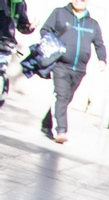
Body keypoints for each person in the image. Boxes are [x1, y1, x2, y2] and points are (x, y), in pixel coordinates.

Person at [37, 0, 102, 143]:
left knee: (66, 98)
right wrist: (50, 44)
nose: (79, 1)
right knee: (61, 96)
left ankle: (46, 123)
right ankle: (61, 130)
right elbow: (45, 30)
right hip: (61, 65)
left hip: (79, 69)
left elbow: (99, 44)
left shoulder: (92, 24)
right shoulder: (59, 13)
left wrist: (102, 59)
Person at [0, 0, 31, 110]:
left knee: (1, 80)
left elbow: (22, 25)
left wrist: (29, 27)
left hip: (5, 47)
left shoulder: (20, 3)